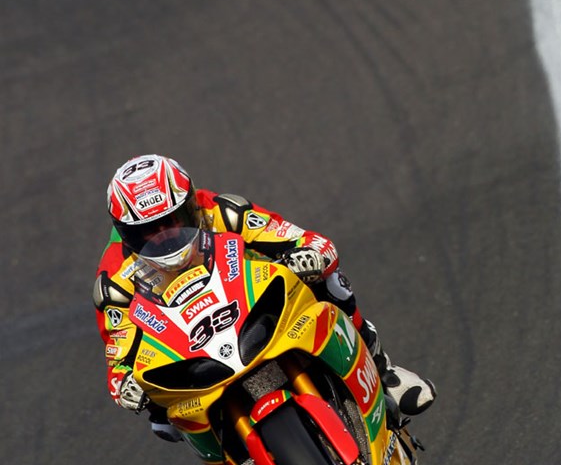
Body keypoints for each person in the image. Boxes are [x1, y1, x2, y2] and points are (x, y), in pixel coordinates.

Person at [93, 154, 436, 445]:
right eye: (147, 232)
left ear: (191, 205)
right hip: (188, 345)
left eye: (171, 222)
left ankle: (382, 370)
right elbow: (117, 350)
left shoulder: (222, 211)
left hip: (253, 304)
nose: (164, 237)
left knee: (329, 280)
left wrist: (308, 255)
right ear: (125, 234)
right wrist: (123, 384)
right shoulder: (113, 278)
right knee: (163, 422)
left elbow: (311, 242)